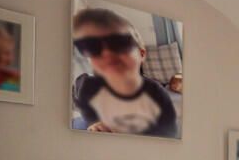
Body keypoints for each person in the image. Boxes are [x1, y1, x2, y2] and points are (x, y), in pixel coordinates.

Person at [71, 8, 178, 138]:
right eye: (95, 48)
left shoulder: (155, 90)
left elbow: (169, 130)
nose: (107, 53)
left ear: (141, 54)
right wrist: (94, 123)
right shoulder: (88, 84)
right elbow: (85, 108)